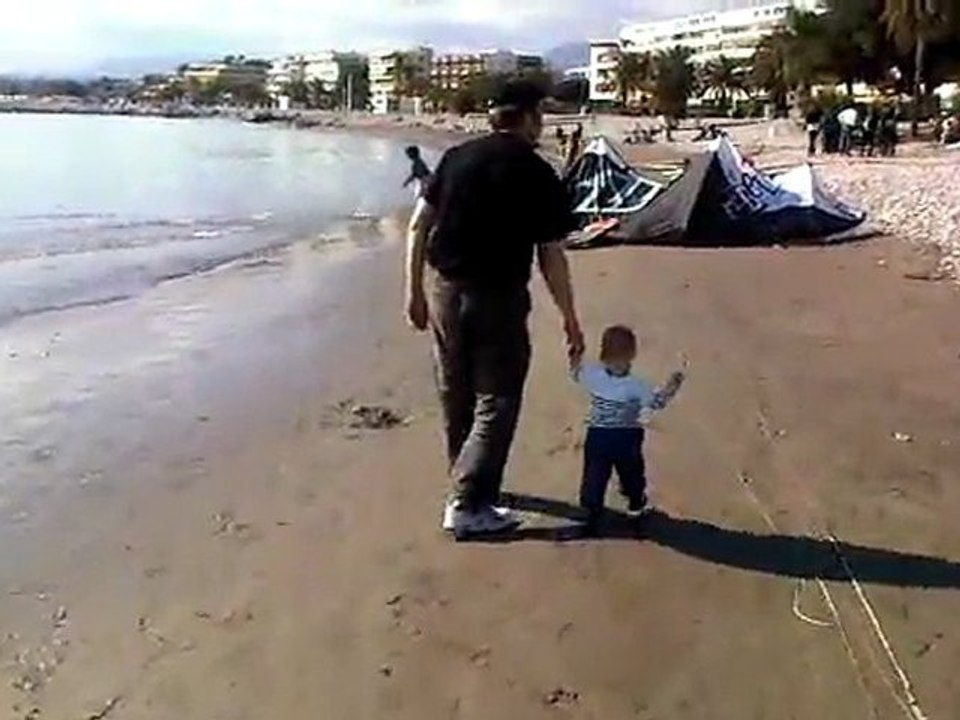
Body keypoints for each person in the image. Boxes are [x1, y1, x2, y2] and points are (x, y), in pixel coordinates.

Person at [404, 80, 585, 539]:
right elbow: (550, 254)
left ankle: (469, 484)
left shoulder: (456, 158)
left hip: (446, 290)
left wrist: (414, 292)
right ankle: (466, 502)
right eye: (539, 115)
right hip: (497, 298)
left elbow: (418, 225)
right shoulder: (536, 172)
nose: (541, 124)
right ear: (526, 118)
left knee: (456, 393)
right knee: (498, 399)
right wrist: (569, 318)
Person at [572, 325, 685, 536]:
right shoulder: (636, 385)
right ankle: (633, 509)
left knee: (596, 476)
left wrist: (576, 352)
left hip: (600, 436)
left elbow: (576, 372)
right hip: (625, 438)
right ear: (632, 354)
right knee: (628, 475)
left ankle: (594, 515)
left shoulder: (593, 375)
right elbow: (656, 402)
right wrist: (672, 386)